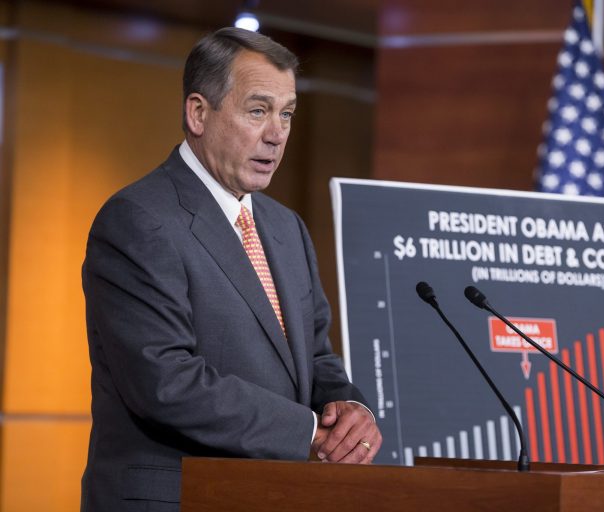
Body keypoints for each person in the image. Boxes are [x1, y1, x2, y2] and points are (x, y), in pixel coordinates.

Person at [80, 27, 381, 512]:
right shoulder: (139, 219)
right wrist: (309, 431)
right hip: (176, 498)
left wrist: (349, 410)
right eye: (258, 110)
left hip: (274, 495)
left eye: (286, 114)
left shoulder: (287, 228)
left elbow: (316, 357)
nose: (277, 133)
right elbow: (165, 380)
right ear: (198, 113)